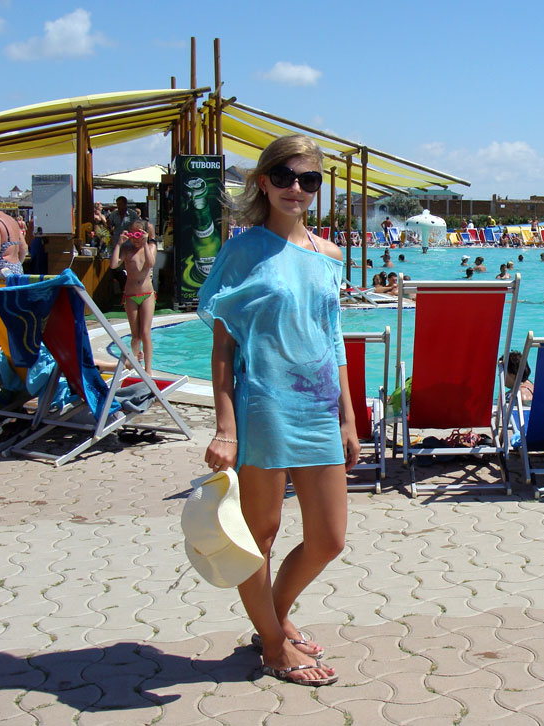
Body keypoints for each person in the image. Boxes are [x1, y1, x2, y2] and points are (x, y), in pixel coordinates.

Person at [198, 134, 356, 687]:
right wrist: (225, 427)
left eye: (308, 180)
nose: (296, 189)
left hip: (318, 409)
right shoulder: (243, 252)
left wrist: (349, 417)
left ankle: (276, 614)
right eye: (285, 177)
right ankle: (272, 643)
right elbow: (223, 348)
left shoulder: (328, 255)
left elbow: (333, 338)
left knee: (329, 538)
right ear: (263, 181)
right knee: (258, 536)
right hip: (263, 407)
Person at [109, 220, 158, 371]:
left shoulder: (151, 247)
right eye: (132, 235)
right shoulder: (126, 250)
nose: (135, 239)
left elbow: (150, 263)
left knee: (145, 333)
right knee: (135, 336)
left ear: (144, 234)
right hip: (130, 296)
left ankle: (148, 369)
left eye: (138, 235)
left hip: (147, 295)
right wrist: (119, 244)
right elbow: (113, 264)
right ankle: (136, 366)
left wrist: (145, 243)